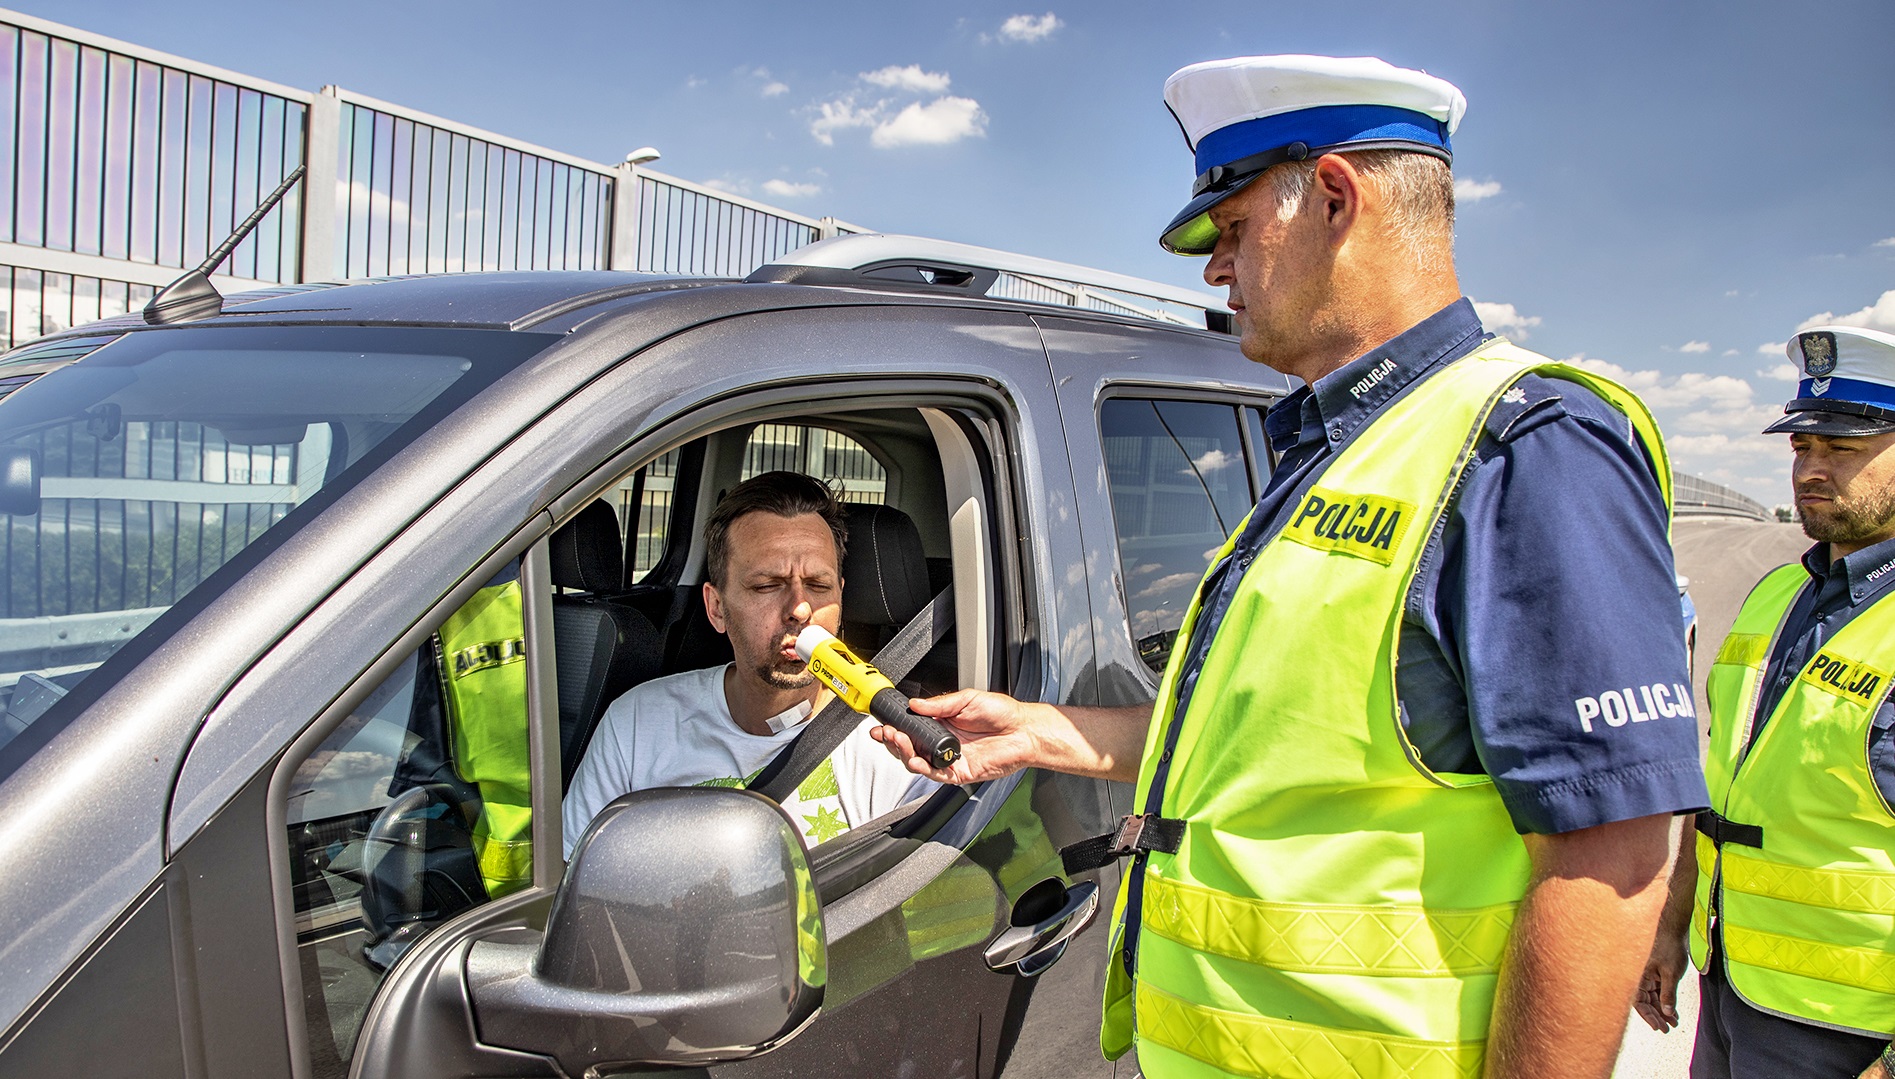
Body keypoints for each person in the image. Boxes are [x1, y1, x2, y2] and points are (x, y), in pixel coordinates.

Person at [873, 54, 1708, 1077]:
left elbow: (1608, 854)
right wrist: (1046, 730)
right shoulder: (1338, 449)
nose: (1213, 269)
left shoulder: (1522, 446)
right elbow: (1263, 747)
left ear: (1330, 196)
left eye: (1228, 231)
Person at [1638, 325, 1895, 1079]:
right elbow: (1722, 784)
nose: (1811, 470)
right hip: (1734, 985)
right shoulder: (1779, 594)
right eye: (1800, 447)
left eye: (1842, 449)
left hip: (1852, 1033)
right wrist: (1671, 919)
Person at [563, 471, 928, 855]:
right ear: (716, 607)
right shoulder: (637, 724)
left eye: (818, 586)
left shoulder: (894, 744)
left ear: (840, 596)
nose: (801, 609)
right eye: (767, 585)